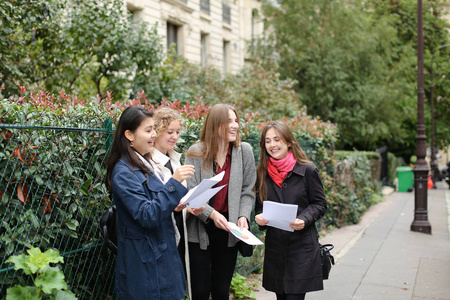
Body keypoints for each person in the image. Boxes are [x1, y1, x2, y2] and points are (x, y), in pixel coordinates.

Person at [105, 106, 195, 299]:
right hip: (145, 265)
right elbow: (146, 215)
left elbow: (156, 204)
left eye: (154, 129)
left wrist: (174, 207)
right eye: (148, 130)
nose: (154, 134)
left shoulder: (146, 163)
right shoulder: (123, 172)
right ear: (129, 135)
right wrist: (174, 184)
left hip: (161, 257)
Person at [184, 103, 256, 300]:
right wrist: (212, 214)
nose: (235, 126)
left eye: (236, 121)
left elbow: (247, 191)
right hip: (200, 229)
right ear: (215, 126)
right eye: (229, 122)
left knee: (221, 291)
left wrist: (243, 216)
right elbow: (191, 192)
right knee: (199, 291)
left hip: (229, 230)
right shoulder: (196, 152)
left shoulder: (244, 152)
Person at [254, 120, 328, 300]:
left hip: (302, 248)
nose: (272, 145)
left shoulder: (307, 170)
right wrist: (259, 218)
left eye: (277, 139)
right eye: (268, 141)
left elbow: (320, 204)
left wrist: (304, 219)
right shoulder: (262, 173)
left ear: (288, 142)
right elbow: (259, 207)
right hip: (276, 249)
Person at [152, 106, 203, 298]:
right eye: (169, 132)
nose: (174, 136)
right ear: (156, 131)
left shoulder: (175, 158)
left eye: (177, 132)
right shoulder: (150, 161)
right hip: (163, 229)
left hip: (181, 226)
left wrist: (192, 204)